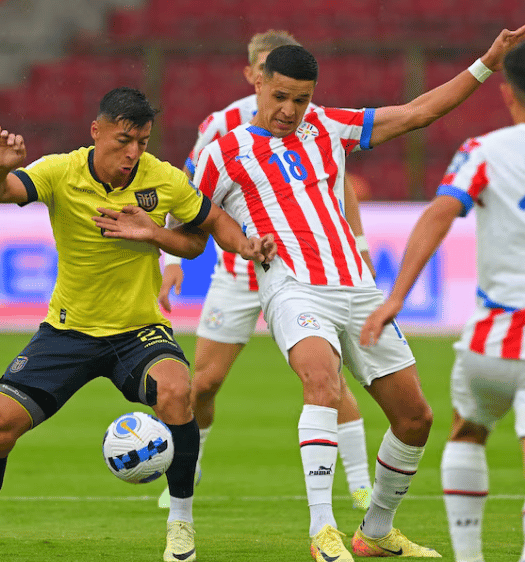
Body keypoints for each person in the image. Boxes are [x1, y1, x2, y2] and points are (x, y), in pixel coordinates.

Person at [189, 21, 525, 562]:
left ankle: (375, 528)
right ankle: (321, 527)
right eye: (279, 96)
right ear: (258, 84)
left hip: (357, 290)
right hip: (293, 288)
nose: (289, 109)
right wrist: (149, 235)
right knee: (321, 385)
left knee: (416, 418)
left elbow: (418, 112)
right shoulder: (222, 151)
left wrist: (487, 60)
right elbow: (190, 224)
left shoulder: (327, 126)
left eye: (300, 100)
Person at [0, 87, 275, 562]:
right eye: (124, 139)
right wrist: (1, 166)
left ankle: (181, 525)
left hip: (137, 331)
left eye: (142, 142)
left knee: (177, 392)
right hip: (67, 332)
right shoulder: (60, 171)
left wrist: (172, 234)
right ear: (96, 131)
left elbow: (202, 234)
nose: (133, 152)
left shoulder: (162, 179)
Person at [361, 38, 525, 562]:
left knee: (467, 433)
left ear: (507, 93)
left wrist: (395, 298)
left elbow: (439, 214)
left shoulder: (483, 149)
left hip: (492, 338)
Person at [157, 29, 376, 512]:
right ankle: (190, 466)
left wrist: (357, 248)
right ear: (252, 74)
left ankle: (360, 486)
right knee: (205, 383)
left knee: (328, 379)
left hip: (305, 273)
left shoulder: (310, 122)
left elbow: (339, 191)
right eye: (261, 69)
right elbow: (189, 195)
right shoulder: (221, 127)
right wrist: (171, 261)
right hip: (239, 274)